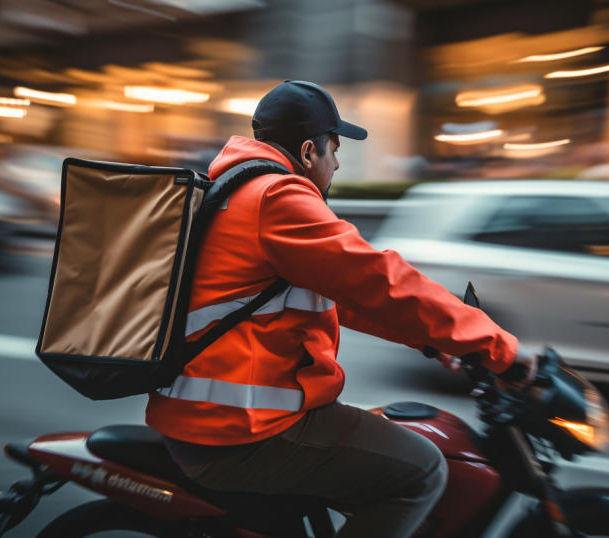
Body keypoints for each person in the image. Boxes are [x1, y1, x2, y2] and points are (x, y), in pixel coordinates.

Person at [146, 80, 538, 538]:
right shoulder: (278, 198)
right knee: (423, 470)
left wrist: (432, 338)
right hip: (239, 430)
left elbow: (344, 293)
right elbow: (378, 279)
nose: (337, 162)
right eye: (334, 148)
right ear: (309, 150)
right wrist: (499, 348)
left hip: (207, 417)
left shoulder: (236, 188)